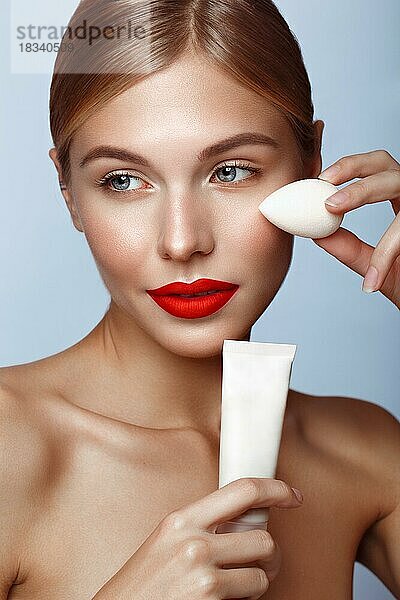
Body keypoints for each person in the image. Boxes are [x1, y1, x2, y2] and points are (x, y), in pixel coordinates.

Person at [1, 1, 399, 598]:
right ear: (69, 191)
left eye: (231, 171)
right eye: (123, 180)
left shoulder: (365, 454)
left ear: (311, 165)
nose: (183, 241)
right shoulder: (10, 448)